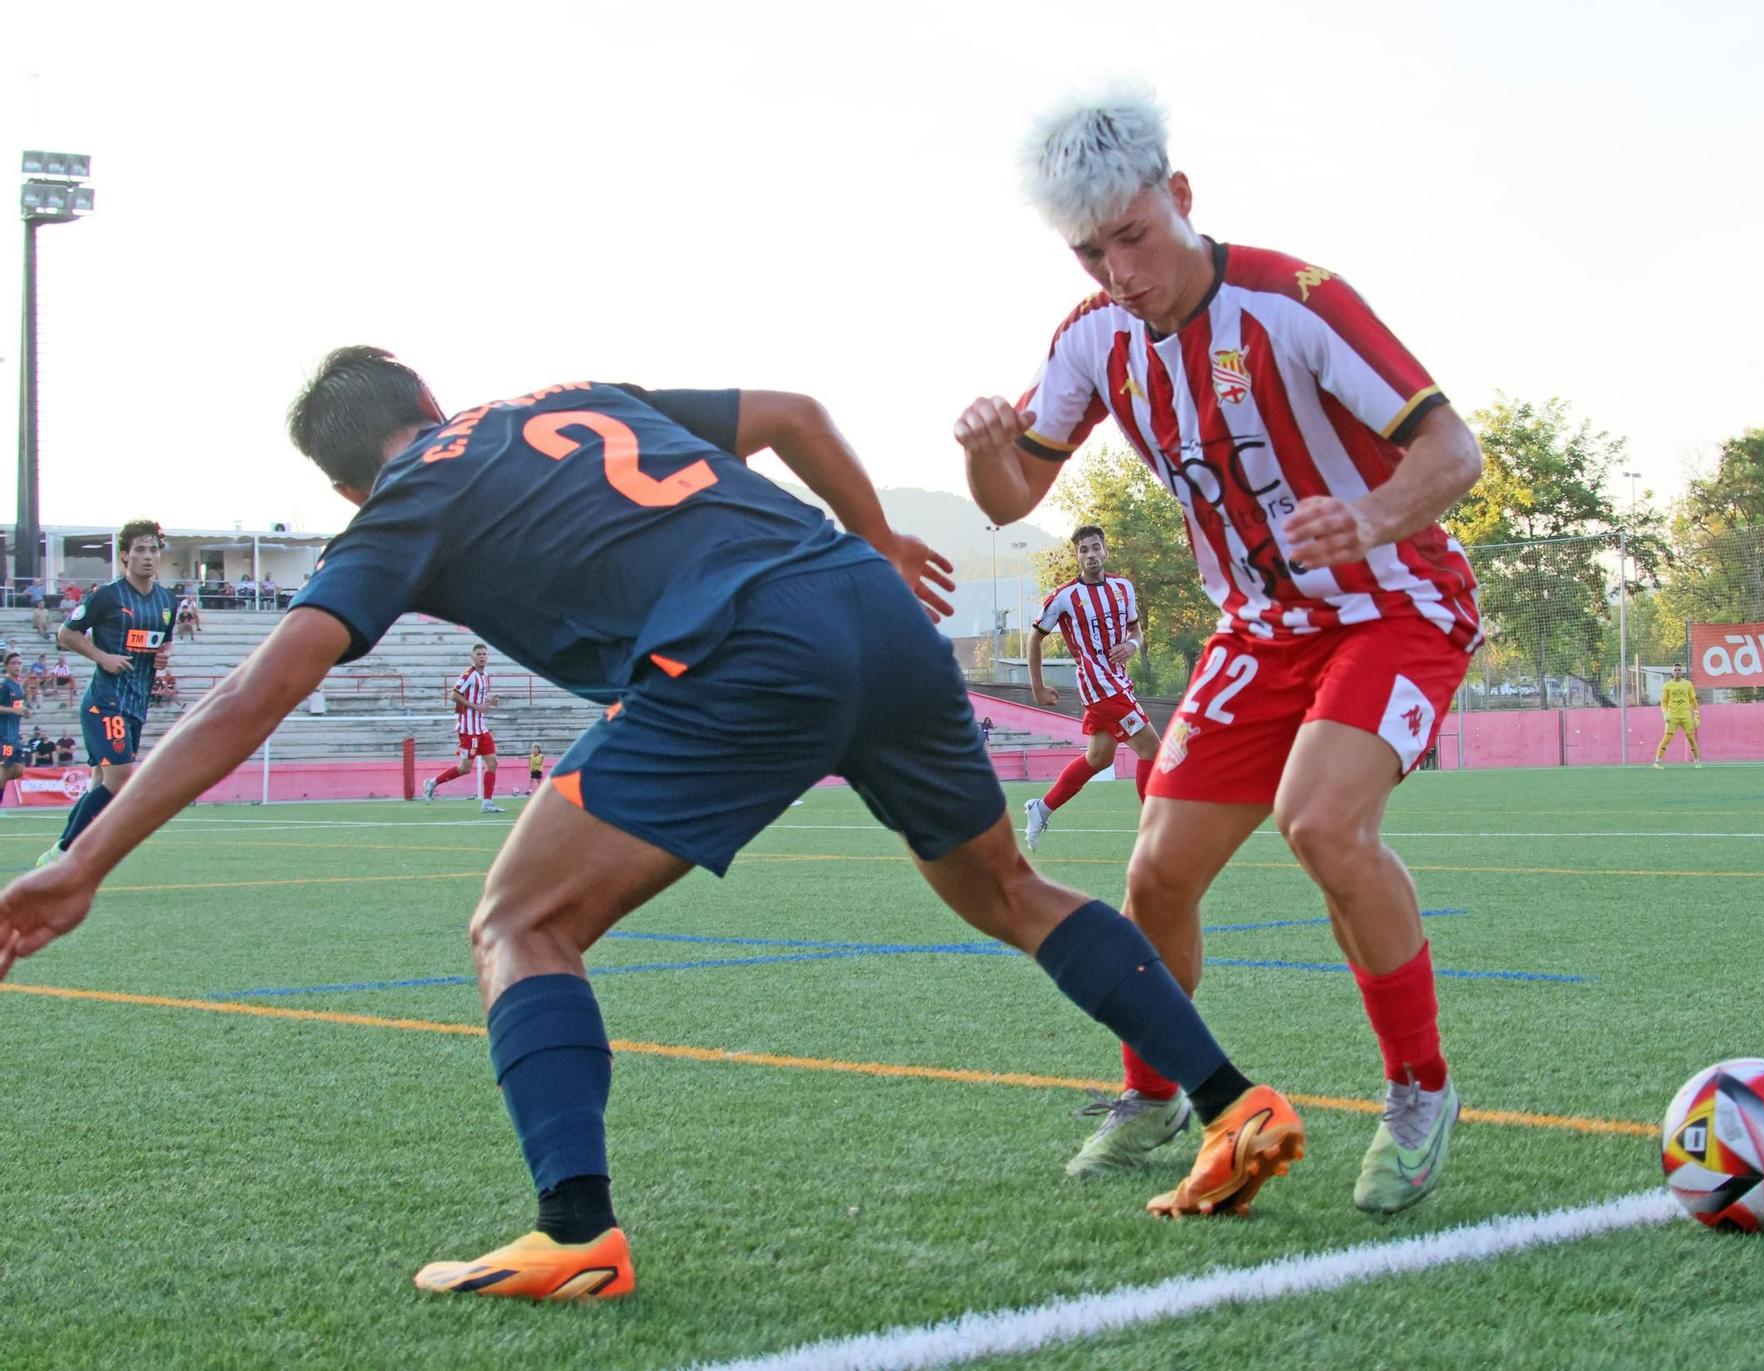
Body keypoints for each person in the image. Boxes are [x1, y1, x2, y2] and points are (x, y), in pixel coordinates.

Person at [0, 346, 1303, 1302]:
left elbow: (257, 685)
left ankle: (576, 1225)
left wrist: (82, 860)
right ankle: (1233, 1102)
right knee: (1008, 887)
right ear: (428, 396)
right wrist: (880, 538)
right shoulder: (569, 396)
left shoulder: (405, 503)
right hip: (865, 601)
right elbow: (791, 408)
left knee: (521, 919)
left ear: (350, 480)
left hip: (741, 644)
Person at [954, 92, 1484, 1210]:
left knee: (1321, 823)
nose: (1118, 271)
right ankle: (1152, 1095)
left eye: (1133, 237)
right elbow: (1011, 497)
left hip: (1393, 602)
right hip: (1258, 629)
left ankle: (1418, 1090)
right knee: (1155, 872)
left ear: (1180, 198)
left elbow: (1451, 448)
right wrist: (983, 452)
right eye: (1090, 251)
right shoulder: (1090, 339)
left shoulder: (1297, 301)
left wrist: (1374, 518)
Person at [39, 522, 177, 865]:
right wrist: (103, 657)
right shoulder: (107, 596)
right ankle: (64, 854)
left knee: (101, 781)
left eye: (153, 550)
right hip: (106, 700)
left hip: (136, 703)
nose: (148, 556)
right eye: (140, 550)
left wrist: (163, 656)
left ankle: (63, 851)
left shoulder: (167, 601)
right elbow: (66, 633)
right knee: (119, 779)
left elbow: (165, 641)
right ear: (124, 556)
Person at [1022, 525, 1161, 853]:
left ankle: (1040, 809)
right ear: (1077, 556)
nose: (1091, 554)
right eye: (1083, 550)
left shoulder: (1123, 588)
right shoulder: (1065, 596)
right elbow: (1035, 637)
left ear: (1106, 551)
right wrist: (1038, 687)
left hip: (1120, 683)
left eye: (1095, 547)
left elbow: (1136, 632)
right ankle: (1154, 834)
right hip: (1100, 689)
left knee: (1098, 758)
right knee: (1151, 749)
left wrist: (1131, 645)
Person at [424, 644, 503, 813]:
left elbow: (479, 698)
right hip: (468, 731)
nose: (482, 657)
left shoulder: (485, 676)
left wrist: (490, 702)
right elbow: (454, 695)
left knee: (493, 763)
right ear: (472, 657)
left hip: (481, 729)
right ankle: (432, 783)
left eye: (484, 654)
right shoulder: (469, 674)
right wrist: (476, 706)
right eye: (479, 654)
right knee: (465, 768)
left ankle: (487, 803)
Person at [1655, 663, 1700, 768]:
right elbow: (1664, 701)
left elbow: (1693, 700)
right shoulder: (1667, 685)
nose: (1677, 672)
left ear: (1682, 672)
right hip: (1673, 715)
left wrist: (1697, 714)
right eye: (1675, 670)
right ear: (1672, 672)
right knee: (1667, 738)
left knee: (1691, 738)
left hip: (1685, 715)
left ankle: (1697, 762)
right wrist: (1665, 713)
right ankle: (1657, 762)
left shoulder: (1688, 684)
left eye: (1679, 670)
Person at [0, 653, 27, 803]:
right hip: (4, 736)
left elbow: (17, 707)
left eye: (19, 663)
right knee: (4, 767)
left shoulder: (18, 686)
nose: (17, 666)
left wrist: (25, 711)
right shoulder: (4, 686)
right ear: (7, 666)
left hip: (14, 736)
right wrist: (13, 711)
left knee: (18, 769)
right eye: (13, 663)